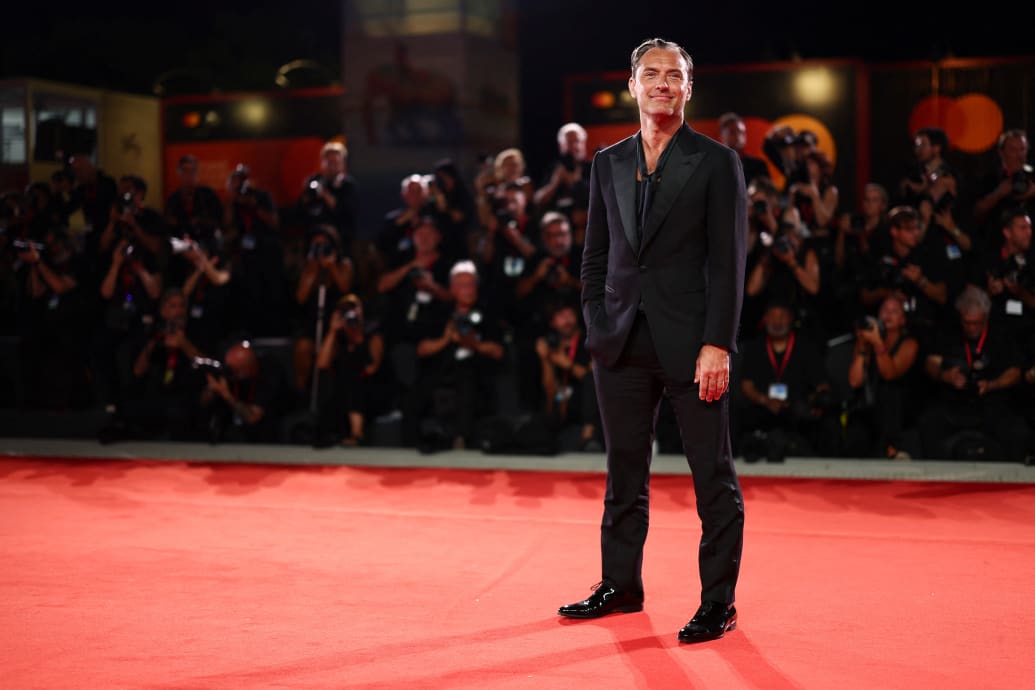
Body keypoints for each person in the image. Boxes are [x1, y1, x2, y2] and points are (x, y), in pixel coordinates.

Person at [557, 38, 747, 645]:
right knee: (623, 473)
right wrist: (595, 321)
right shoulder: (608, 162)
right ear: (633, 85)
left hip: (694, 348)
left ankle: (717, 602)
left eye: (674, 75)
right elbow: (595, 255)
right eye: (651, 74)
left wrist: (718, 342)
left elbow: (728, 264)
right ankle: (621, 585)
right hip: (619, 344)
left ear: (689, 88)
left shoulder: (717, 162)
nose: (662, 83)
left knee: (710, 474)